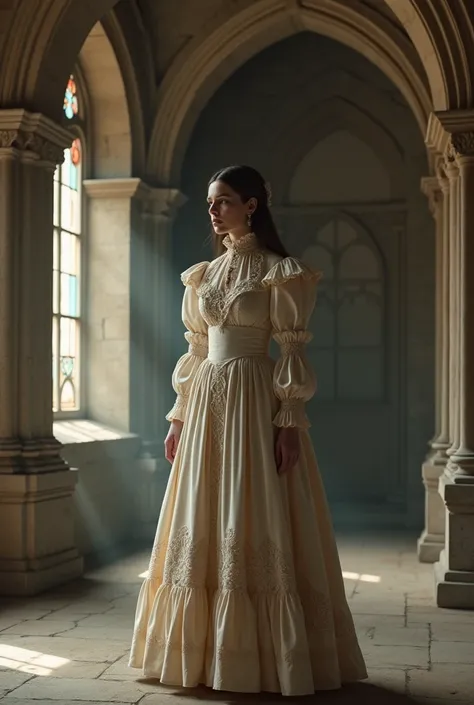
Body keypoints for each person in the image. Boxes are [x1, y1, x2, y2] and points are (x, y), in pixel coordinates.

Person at [129, 165, 367, 696]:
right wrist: (177, 417)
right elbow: (194, 351)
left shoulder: (281, 273)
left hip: (253, 401)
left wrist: (288, 424)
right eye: (211, 203)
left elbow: (292, 351)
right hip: (207, 403)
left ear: (252, 205)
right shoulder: (204, 275)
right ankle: (201, 654)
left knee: (254, 508)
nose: (213, 212)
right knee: (200, 511)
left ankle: (262, 658)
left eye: (224, 201)